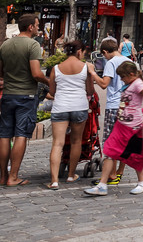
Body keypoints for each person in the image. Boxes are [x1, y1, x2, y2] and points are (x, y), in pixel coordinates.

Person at [83, 61, 143, 196]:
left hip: (133, 126)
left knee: (135, 154)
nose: (121, 80)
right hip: (122, 125)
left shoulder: (138, 84)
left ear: (131, 74)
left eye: (122, 77)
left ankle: (142, 182)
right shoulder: (129, 84)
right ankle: (103, 185)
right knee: (110, 151)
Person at [0, 14, 50, 187]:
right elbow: (36, 73)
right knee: (21, 135)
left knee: (5, 134)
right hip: (26, 95)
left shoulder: (6, 44)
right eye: (37, 25)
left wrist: (12, 76)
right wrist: (49, 82)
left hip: (8, 94)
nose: (38, 28)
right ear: (30, 27)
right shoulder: (33, 45)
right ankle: (13, 176)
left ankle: (3, 176)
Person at [45, 40, 96, 189]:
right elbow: (90, 91)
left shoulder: (56, 68)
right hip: (79, 107)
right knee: (76, 141)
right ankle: (71, 175)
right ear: (79, 52)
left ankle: (54, 180)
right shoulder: (85, 68)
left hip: (60, 107)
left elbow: (52, 92)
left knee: (57, 143)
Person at [90, 39, 130, 186]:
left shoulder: (111, 63)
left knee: (110, 140)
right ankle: (119, 172)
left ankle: (112, 175)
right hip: (127, 105)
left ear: (105, 52)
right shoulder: (128, 61)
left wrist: (93, 73)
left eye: (104, 55)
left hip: (114, 105)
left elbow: (104, 84)